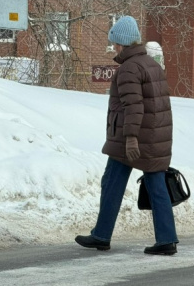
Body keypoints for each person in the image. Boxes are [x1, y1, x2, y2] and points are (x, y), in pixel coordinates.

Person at [75, 15, 179, 256]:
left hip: (130, 140)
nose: (113, 47)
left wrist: (131, 138)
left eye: (114, 42)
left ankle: (101, 235)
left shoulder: (129, 69)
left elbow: (134, 107)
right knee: (156, 187)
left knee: (111, 183)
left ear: (122, 43)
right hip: (154, 137)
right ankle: (167, 239)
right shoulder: (152, 64)